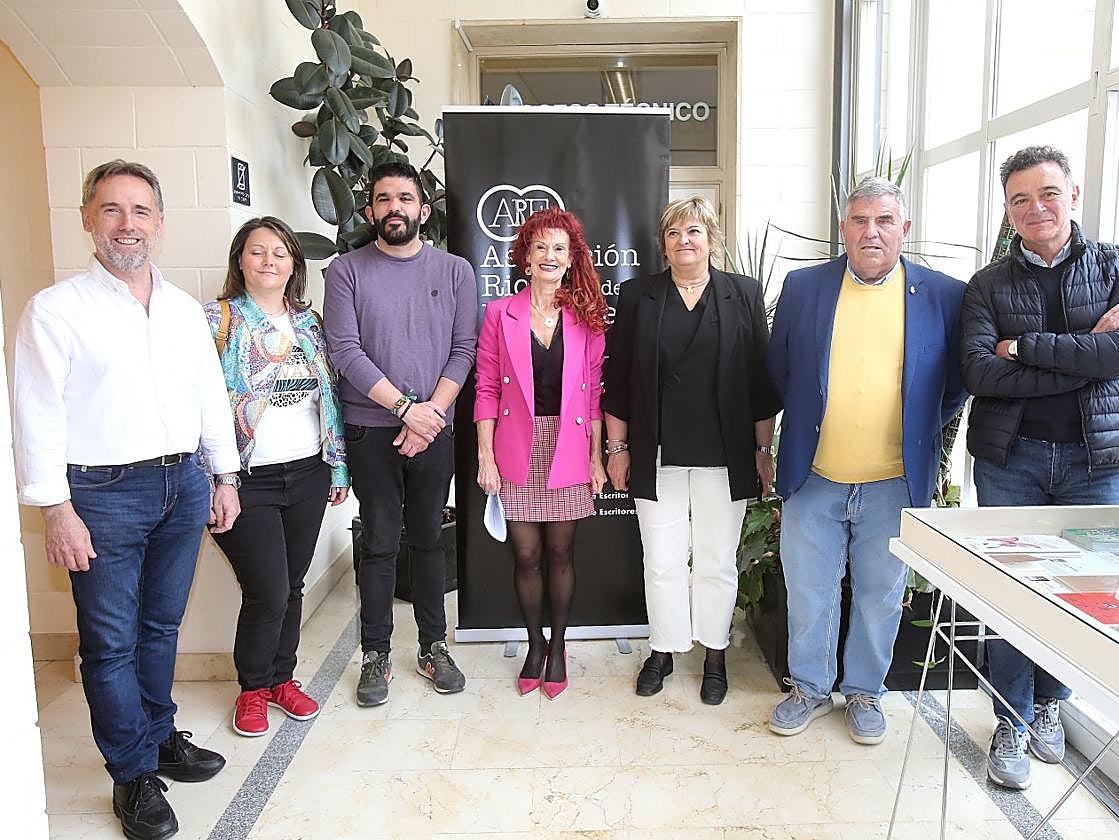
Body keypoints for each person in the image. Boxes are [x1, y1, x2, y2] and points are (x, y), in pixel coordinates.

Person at [12, 160, 240, 840]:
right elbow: (37, 413)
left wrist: (224, 477)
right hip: (101, 495)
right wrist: (56, 508)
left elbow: (207, 394)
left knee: (160, 629)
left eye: (140, 211)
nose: (127, 224)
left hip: (183, 485)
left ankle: (160, 735)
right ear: (87, 219)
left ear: (160, 223)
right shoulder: (55, 311)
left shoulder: (179, 310)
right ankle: (133, 775)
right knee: (109, 644)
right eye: (111, 210)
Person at [960, 145, 1119, 790]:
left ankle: (1050, 707)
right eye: (1020, 199)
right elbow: (981, 371)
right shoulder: (989, 283)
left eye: (1048, 194)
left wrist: (1027, 353)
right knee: (1011, 597)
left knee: (1084, 597)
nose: (1035, 208)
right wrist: (1085, 351)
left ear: (1073, 195)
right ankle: (1011, 721)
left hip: (1095, 461)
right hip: (1010, 461)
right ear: (1009, 210)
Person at [767, 177, 966, 745]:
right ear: (843, 228)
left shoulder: (944, 294)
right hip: (816, 476)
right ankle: (808, 687)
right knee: (809, 590)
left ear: (904, 228)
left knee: (880, 593)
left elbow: (952, 387)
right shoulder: (805, 287)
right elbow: (782, 370)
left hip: (893, 482)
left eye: (883, 221)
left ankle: (864, 694)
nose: (870, 231)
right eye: (859, 220)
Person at [603, 195, 781, 706]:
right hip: (656, 449)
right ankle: (663, 649)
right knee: (660, 559)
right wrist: (617, 447)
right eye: (675, 232)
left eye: (695, 231)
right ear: (663, 243)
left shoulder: (742, 293)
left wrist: (763, 450)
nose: (685, 240)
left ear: (712, 239)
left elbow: (759, 379)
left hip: (725, 453)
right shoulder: (639, 295)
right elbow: (616, 381)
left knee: (717, 560)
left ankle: (715, 653)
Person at [324, 160, 477, 707]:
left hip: (436, 428)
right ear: (371, 211)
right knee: (382, 541)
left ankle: (434, 646)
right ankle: (375, 653)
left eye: (405, 198)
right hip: (372, 430)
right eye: (384, 199)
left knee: (430, 541)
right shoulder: (346, 270)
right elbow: (344, 349)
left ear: (423, 210)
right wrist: (406, 410)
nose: (395, 207)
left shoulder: (456, 271)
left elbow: (464, 350)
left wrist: (429, 414)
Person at [203, 217, 351, 737]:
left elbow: (327, 399)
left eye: (280, 253)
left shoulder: (310, 324)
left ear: (295, 264)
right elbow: (200, 405)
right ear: (239, 260)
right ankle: (252, 689)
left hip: (307, 471)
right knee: (266, 589)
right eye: (257, 252)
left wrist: (336, 464)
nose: (269, 262)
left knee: (290, 585)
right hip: (245, 480)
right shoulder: (216, 321)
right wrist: (218, 478)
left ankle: (281, 680)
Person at [474, 208, 608, 700]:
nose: (549, 256)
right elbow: (486, 387)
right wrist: (486, 456)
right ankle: (534, 644)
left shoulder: (586, 317)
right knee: (525, 554)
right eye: (540, 248)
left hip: (569, 446)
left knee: (560, 552)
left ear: (571, 259)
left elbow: (594, 393)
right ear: (525, 259)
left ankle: (559, 648)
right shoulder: (498, 314)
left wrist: (596, 457)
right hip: (516, 446)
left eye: (559, 249)